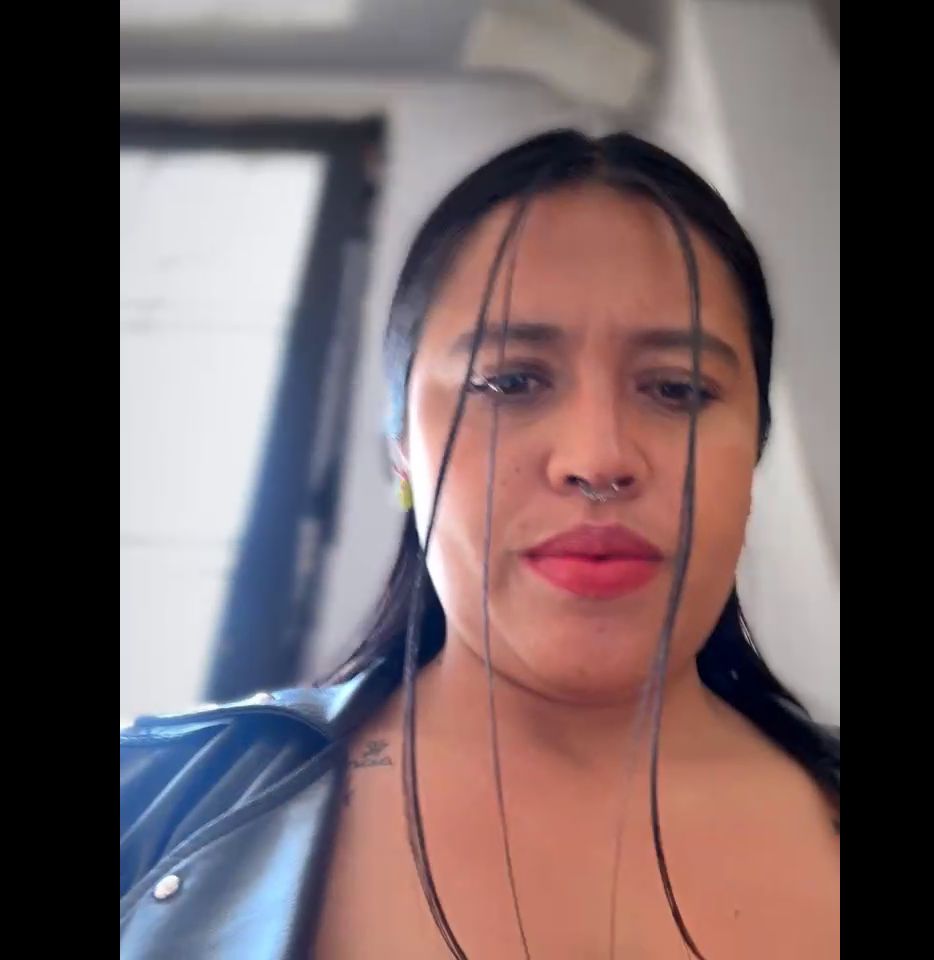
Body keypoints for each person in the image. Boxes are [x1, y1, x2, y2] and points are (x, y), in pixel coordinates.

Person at [120, 130, 840, 960]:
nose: (598, 458)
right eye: (509, 381)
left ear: (753, 450)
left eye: (677, 389)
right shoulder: (149, 809)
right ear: (402, 449)